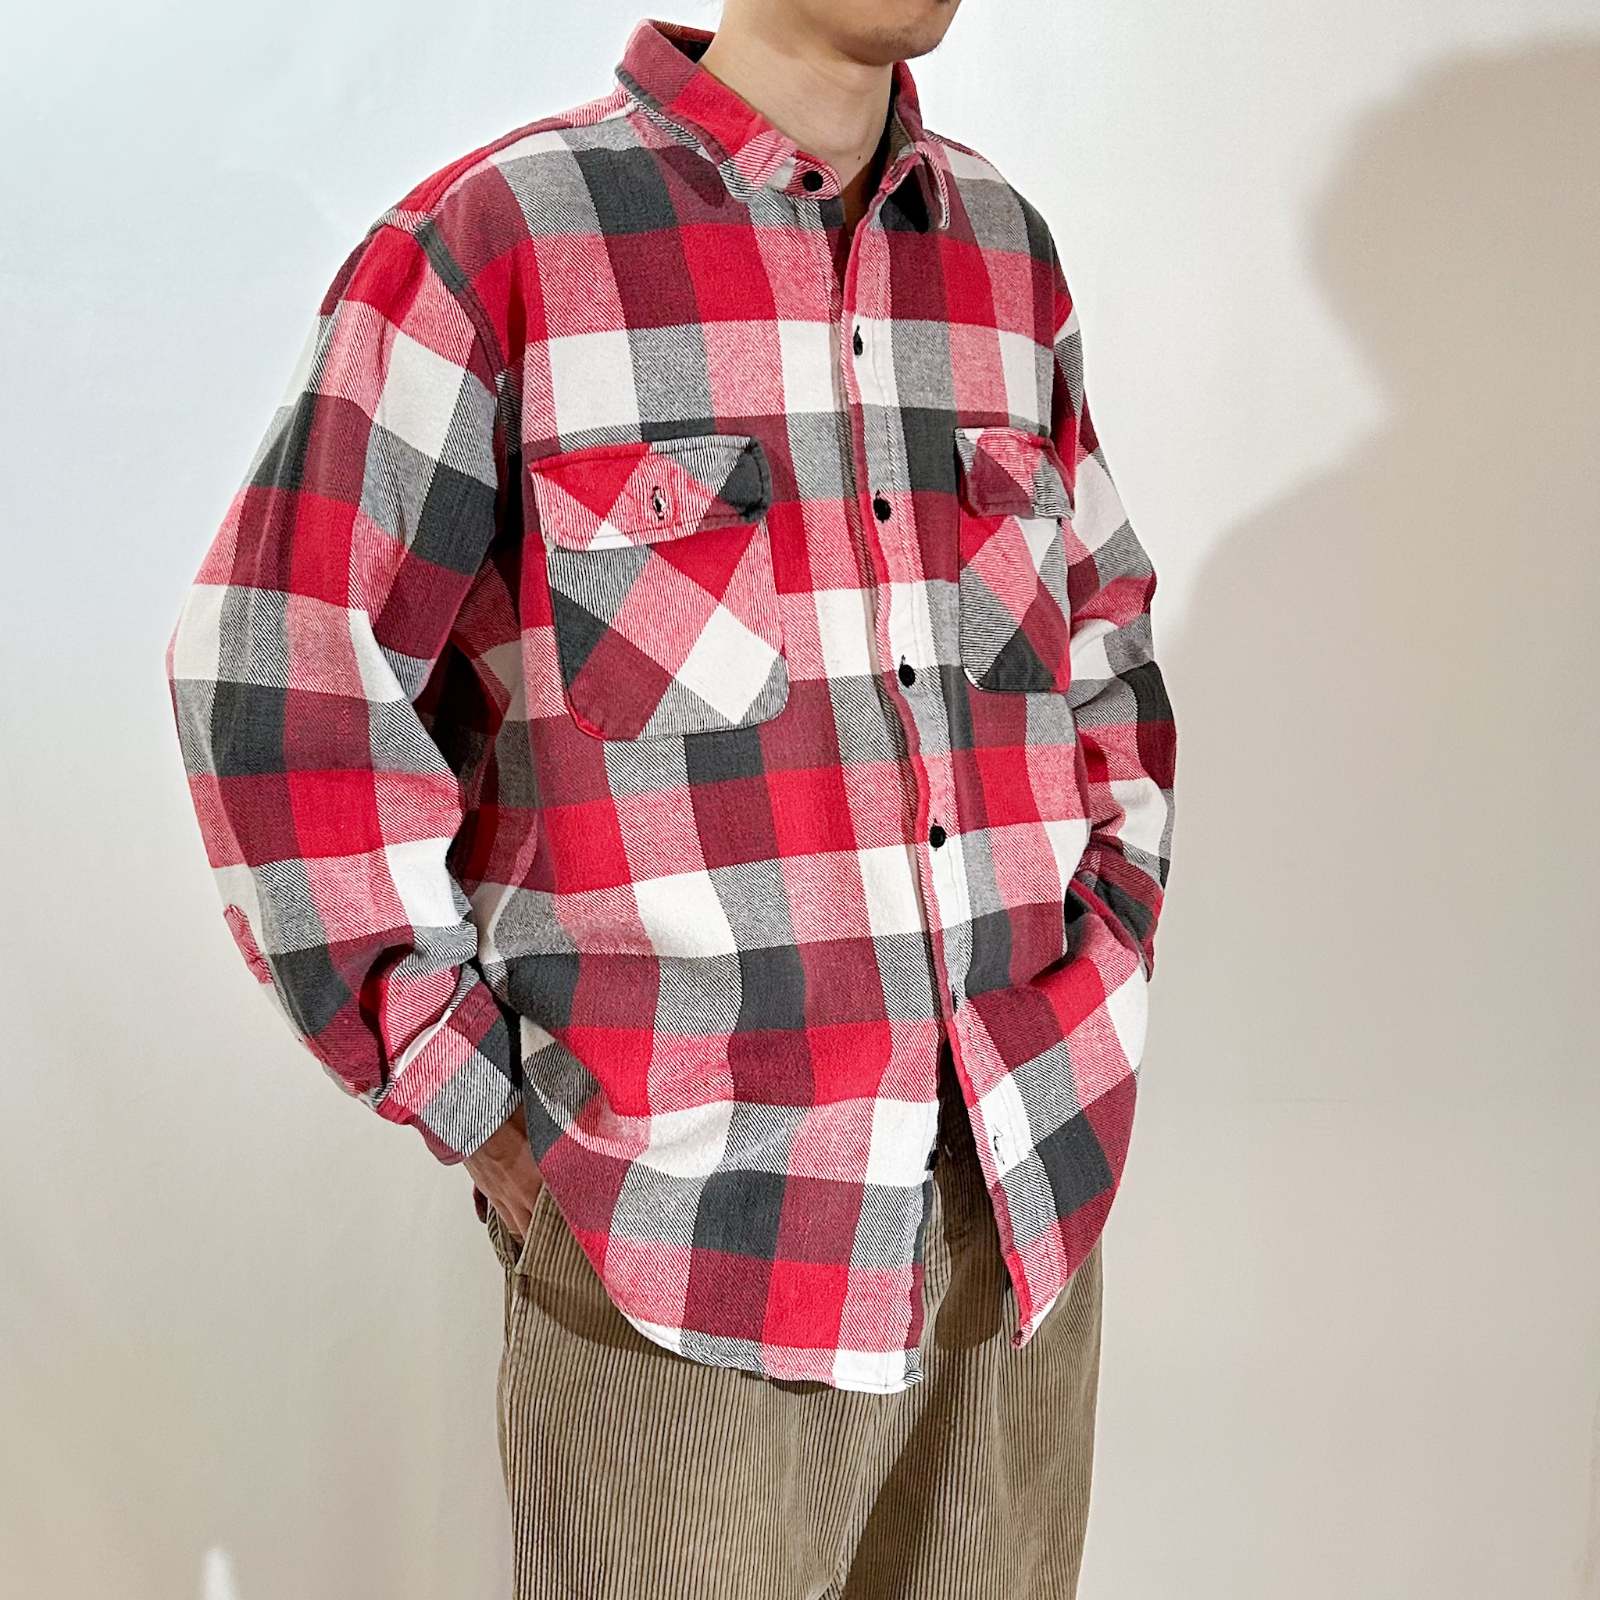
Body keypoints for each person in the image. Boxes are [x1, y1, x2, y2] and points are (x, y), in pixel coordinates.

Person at [163, 5, 1178, 1595]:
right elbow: (276, 678)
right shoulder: (498, 248)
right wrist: (472, 1094)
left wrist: (1103, 954)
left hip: (1020, 1221)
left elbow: (1099, 651)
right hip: (678, 1255)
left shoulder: (1004, 256)